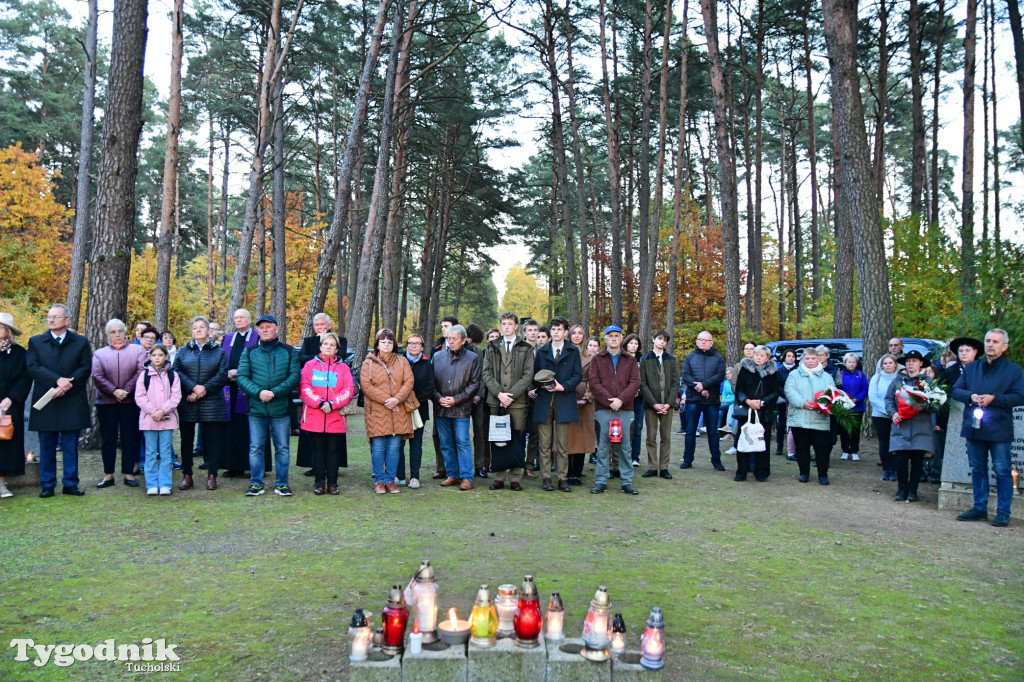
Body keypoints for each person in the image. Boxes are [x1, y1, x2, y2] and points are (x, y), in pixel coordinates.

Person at [952, 329, 1024, 527]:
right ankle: (979, 507)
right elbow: (956, 390)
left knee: (1002, 470)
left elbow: (1020, 396)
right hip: (974, 426)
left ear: (1004, 346)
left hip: (999, 428)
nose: (990, 345)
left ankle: (1003, 512)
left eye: (995, 342)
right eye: (988, 341)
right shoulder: (972, 368)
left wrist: (995, 398)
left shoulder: (1013, 371)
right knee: (977, 469)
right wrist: (971, 396)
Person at [27, 304, 93, 497]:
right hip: (47, 399)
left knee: (70, 445)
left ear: (67, 320)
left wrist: (66, 386)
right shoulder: (36, 342)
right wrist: (57, 381)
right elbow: (33, 367)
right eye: (49, 316)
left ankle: (70, 483)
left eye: (56, 317)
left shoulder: (80, 342)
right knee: (47, 445)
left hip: (71, 399)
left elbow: (85, 368)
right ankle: (47, 484)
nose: (51, 320)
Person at [238, 315, 300, 497]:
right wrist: (259, 393)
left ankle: (282, 483)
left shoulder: (289, 351)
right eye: (261, 327)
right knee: (256, 447)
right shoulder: (249, 352)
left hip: (281, 408)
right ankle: (256, 483)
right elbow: (242, 377)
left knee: (282, 448)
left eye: (268, 326)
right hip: (256, 409)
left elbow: (294, 376)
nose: (264, 330)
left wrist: (275, 393)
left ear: (276, 329)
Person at [172, 316, 229, 491]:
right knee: (186, 441)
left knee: (213, 441)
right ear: (191, 331)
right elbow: (176, 371)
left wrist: (202, 390)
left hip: (212, 402)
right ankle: (187, 475)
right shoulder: (183, 351)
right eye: (195, 328)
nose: (198, 330)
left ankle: (212, 475)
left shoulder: (218, 351)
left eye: (202, 327)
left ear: (208, 330)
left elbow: (222, 374)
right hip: (188, 401)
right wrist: (192, 388)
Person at [91, 318, 147, 489]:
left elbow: (141, 371)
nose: (117, 335)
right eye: (113, 332)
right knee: (108, 439)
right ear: (108, 334)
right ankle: (108, 474)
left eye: (120, 331)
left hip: (130, 403)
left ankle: (128, 473)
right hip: (106, 402)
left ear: (125, 332)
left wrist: (126, 390)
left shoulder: (138, 350)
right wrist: (114, 391)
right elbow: (97, 376)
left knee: (130, 438)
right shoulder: (99, 353)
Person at [482, 313, 533, 491]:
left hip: (517, 402)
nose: (506, 327)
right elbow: (486, 373)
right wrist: (499, 394)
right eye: (503, 324)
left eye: (510, 324)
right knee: (498, 439)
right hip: (496, 401)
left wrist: (510, 395)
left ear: (516, 326)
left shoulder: (526, 348)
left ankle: (515, 477)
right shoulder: (491, 347)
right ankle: (498, 477)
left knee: (517, 439)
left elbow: (528, 375)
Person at [299, 332, 354, 495]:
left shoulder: (343, 367)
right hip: (314, 417)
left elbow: (349, 389)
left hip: (335, 417)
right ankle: (319, 483)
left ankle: (333, 483)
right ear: (320, 346)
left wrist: (332, 404)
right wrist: (320, 403)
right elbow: (304, 387)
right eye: (325, 344)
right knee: (317, 451)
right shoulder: (310, 365)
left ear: (337, 349)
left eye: (332, 345)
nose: (328, 347)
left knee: (333, 451)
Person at [532, 317, 582, 492]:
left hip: (564, 400)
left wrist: (563, 386)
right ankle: (546, 478)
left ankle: (562, 478)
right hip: (544, 401)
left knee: (562, 444)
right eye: (553, 329)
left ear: (565, 332)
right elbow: (535, 375)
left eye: (559, 329)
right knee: (544, 444)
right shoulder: (542, 351)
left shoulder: (573, 351)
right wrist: (541, 385)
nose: (555, 332)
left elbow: (578, 375)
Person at [362, 329, 415, 494]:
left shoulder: (402, 361)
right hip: (377, 410)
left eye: (390, 342)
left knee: (394, 448)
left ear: (394, 345)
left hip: (398, 410)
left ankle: (390, 480)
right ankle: (378, 480)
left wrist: (397, 399)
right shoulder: (368, 363)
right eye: (383, 341)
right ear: (377, 344)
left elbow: (409, 381)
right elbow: (367, 386)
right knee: (378, 447)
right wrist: (387, 400)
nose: (386, 344)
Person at [589, 325, 641, 494]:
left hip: (626, 409)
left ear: (621, 338)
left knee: (626, 447)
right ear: (605, 338)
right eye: (610, 335)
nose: (613, 338)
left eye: (616, 335)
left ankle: (626, 481)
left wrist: (621, 399)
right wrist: (609, 400)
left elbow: (635, 383)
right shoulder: (597, 359)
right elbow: (594, 383)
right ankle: (601, 481)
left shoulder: (630, 360)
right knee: (603, 447)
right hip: (604, 409)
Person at [296, 313, 346, 477]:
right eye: (316, 325)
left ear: (329, 325)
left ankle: (333, 469)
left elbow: (343, 357)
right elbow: (301, 357)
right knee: (313, 442)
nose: (320, 327)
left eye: (323, 324)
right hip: (314, 400)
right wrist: (319, 358)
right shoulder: (309, 342)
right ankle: (314, 467)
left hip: (334, 399)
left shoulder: (341, 340)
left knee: (333, 443)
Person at [885, 350, 937, 502]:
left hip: (921, 428)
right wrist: (893, 412)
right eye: (908, 361)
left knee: (917, 461)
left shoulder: (928, 382)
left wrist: (922, 406)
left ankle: (913, 491)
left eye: (914, 360)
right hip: (901, 426)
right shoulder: (897, 381)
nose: (911, 363)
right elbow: (888, 399)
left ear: (921, 363)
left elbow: (935, 406)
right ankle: (902, 489)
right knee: (900, 460)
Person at [432, 325, 480, 490]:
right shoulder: (437, 356)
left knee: (462, 442)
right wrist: (439, 399)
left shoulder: (472, 358)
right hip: (441, 408)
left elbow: (474, 384)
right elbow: (431, 383)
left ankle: (467, 477)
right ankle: (452, 474)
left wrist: (456, 400)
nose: (450, 342)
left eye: (454, 339)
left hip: (461, 409)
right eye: (448, 339)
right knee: (445, 443)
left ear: (463, 340)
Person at [784, 347, 837, 485]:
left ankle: (823, 475)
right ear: (802, 359)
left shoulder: (827, 377)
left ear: (818, 359)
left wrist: (821, 405)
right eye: (807, 358)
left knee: (822, 449)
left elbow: (832, 394)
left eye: (813, 358)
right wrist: (803, 403)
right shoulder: (794, 375)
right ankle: (804, 473)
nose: (810, 361)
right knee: (801, 448)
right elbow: (789, 391)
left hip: (819, 418)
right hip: (799, 418)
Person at [135, 344, 181, 496]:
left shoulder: (173, 375)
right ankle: (152, 483)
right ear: (150, 357)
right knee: (150, 453)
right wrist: (154, 411)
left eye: (160, 355)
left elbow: (176, 397)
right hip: (149, 419)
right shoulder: (144, 375)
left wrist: (163, 410)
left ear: (166, 356)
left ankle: (165, 483)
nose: (157, 358)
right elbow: (140, 397)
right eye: (154, 355)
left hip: (167, 419)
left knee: (166, 452)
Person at [221, 309, 261, 477]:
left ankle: (255, 466)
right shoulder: (228, 338)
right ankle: (234, 466)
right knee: (232, 427)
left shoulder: (257, 337)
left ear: (249, 320)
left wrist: (240, 373)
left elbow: (259, 361)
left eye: (241, 317)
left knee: (250, 427)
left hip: (249, 389)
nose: (238, 320)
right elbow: (222, 360)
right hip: (229, 387)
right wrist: (227, 372)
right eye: (236, 317)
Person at [679, 331, 726, 471]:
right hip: (693, 400)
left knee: (713, 432)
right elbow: (686, 375)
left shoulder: (718, 358)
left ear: (711, 343)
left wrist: (704, 386)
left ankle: (716, 460)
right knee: (690, 431)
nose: (703, 342)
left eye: (706, 340)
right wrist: (698, 388)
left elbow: (720, 376)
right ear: (697, 341)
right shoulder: (690, 357)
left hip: (711, 400)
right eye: (701, 339)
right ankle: (687, 460)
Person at [732, 345, 780, 481]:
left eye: (762, 355)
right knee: (743, 440)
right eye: (756, 354)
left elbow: (775, 392)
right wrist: (747, 401)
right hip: (746, 410)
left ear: (767, 358)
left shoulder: (773, 372)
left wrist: (762, 402)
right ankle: (741, 471)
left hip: (764, 411)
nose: (758, 358)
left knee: (762, 441)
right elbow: (739, 390)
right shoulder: (745, 370)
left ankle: (762, 472)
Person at [639, 329, 680, 480]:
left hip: (667, 405)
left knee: (666, 437)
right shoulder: (645, 359)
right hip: (651, 405)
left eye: (665, 340)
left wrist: (668, 404)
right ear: (654, 339)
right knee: (650, 437)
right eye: (660, 338)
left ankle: (664, 467)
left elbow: (676, 382)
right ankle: (652, 467)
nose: (662, 341)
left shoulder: (671, 360)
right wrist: (654, 404)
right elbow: (642, 384)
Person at [396, 334, 434, 489]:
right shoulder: (399, 362)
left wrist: (413, 400)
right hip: (400, 409)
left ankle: (414, 477)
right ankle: (399, 476)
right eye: (410, 343)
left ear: (422, 346)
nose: (413, 346)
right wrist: (402, 399)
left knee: (416, 444)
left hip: (419, 409)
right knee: (398, 444)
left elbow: (430, 388)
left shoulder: (427, 365)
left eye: (417, 343)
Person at [0, 313, 31, 499]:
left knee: (5, 444)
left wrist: (10, 399)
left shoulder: (19, 353)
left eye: (2, 327)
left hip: (10, 406)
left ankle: (2, 483)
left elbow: (25, 377)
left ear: (8, 331)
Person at [566, 324, 595, 486]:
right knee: (567, 434)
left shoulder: (591, 356)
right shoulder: (564, 353)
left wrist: (587, 397)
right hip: (566, 395)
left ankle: (577, 472)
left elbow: (594, 379)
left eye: (580, 333)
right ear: (569, 335)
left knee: (582, 436)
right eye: (574, 333)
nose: (577, 336)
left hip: (584, 399)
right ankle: (567, 471)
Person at [430, 316, 459, 479]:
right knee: (438, 435)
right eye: (441, 326)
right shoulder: (437, 348)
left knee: (458, 436)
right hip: (440, 399)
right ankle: (442, 467)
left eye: (446, 326)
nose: (443, 329)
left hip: (459, 400)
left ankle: (457, 468)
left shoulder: (466, 348)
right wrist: (437, 397)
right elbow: (432, 375)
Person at [868, 354, 900, 481]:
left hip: (897, 416)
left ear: (895, 364)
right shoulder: (876, 378)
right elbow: (873, 397)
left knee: (896, 442)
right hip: (880, 415)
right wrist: (887, 411)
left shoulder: (900, 378)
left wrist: (894, 412)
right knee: (884, 442)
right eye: (885, 363)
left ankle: (895, 469)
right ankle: (886, 469)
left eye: (890, 363)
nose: (888, 365)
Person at [465, 323, 489, 480]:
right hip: (461, 399)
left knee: (480, 433)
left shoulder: (479, 352)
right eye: (470, 341)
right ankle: (463, 466)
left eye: (474, 342)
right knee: (462, 435)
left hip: (477, 399)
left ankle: (480, 465)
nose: (472, 344)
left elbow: (482, 375)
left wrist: (479, 395)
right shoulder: (457, 351)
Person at [836, 352, 868, 461]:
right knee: (844, 430)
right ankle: (845, 450)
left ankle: (854, 450)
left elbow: (865, 389)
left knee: (855, 430)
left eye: (853, 362)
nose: (851, 364)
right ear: (845, 363)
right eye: (849, 362)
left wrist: (857, 399)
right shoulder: (840, 374)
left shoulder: (860, 375)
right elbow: (837, 389)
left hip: (857, 407)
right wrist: (844, 400)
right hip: (844, 407)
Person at [622, 333, 644, 468]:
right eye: (631, 343)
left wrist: (638, 391)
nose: (633, 346)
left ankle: (635, 456)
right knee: (623, 427)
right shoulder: (620, 358)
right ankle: (621, 456)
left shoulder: (643, 360)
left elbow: (645, 379)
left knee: (637, 427)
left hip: (638, 398)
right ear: (626, 344)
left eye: (636, 343)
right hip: (623, 397)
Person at [776, 349, 798, 458]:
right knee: (781, 424)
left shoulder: (798, 370)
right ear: (784, 357)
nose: (791, 358)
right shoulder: (779, 371)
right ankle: (779, 447)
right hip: (783, 400)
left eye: (793, 356)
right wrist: (786, 394)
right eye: (789, 356)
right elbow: (777, 385)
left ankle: (795, 448)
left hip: (794, 401)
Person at [718, 368, 736, 433]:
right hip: (725, 402)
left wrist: (728, 399)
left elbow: (736, 395)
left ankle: (710, 427)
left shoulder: (735, 382)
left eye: (729, 373)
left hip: (733, 402)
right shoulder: (725, 382)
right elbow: (724, 394)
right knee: (720, 411)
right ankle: (716, 430)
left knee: (714, 407)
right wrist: (723, 400)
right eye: (726, 374)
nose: (728, 375)